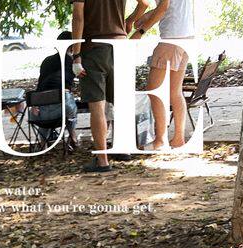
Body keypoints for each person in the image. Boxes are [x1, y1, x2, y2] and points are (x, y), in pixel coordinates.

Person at [127, 0, 194, 148]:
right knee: (175, 92)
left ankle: (160, 140)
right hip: (187, 36)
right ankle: (178, 139)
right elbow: (171, 6)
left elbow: (164, 7)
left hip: (171, 38)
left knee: (154, 91)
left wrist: (140, 32)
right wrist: (147, 16)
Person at [71, 0, 128, 173]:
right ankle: (124, 148)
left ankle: (102, 160)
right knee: (120, 102)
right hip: (120, 44)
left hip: (94, 47)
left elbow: (78, 16)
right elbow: (145, 4)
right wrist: (130, 23)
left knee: (97, 106)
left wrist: (76, 55)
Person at [32, 31, 80, 151]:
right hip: (63, 110)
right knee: (70, 107)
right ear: (72, 46)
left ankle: (43, 143)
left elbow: (40, 85)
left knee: (47, 104)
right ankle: (73, 137)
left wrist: (35, 104)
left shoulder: (47, 61)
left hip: (41, 113)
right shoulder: (72, 62)